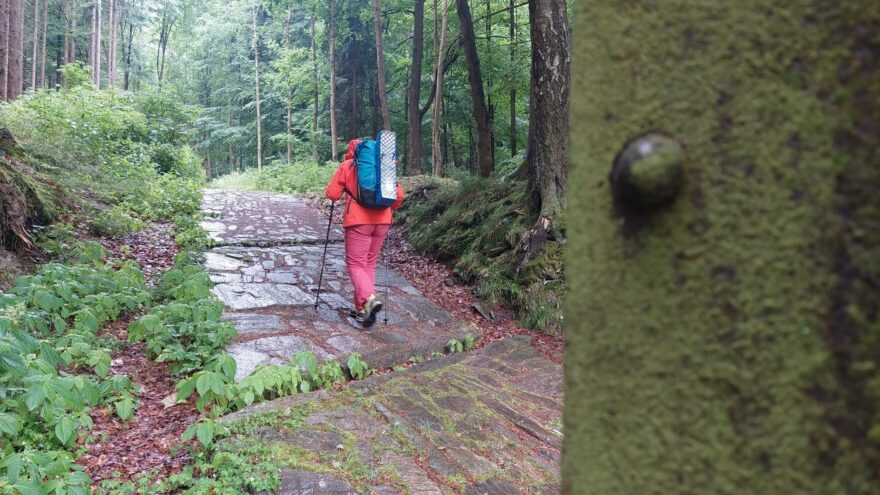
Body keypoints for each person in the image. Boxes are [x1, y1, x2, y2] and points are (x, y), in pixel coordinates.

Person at [325, 138, 404, 328]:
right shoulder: (383, 167)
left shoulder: (347, 166)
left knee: (355, 264)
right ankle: (362, 309)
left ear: (353, 151)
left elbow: (332, 194)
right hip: (383, 221)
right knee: (368, 263)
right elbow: (398, 196)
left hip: (359, 222)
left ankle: (369, 299)